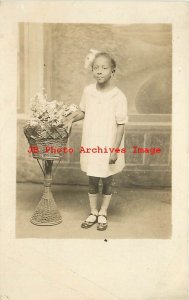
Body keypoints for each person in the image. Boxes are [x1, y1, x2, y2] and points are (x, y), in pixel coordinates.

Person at [64, 51, 128, 231]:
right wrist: (69, 119)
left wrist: (115, 150)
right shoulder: (88, 91)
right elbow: (84, 111)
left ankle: (103, 213)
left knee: (107, 179)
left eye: (104, 68)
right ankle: (93, 212)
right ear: (92, 70)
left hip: (109, 144)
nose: (99, 71)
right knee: (92, 178)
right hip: (92, 142)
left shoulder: (118, 96)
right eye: (96, 67)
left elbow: (121, 125)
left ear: (113, 72)